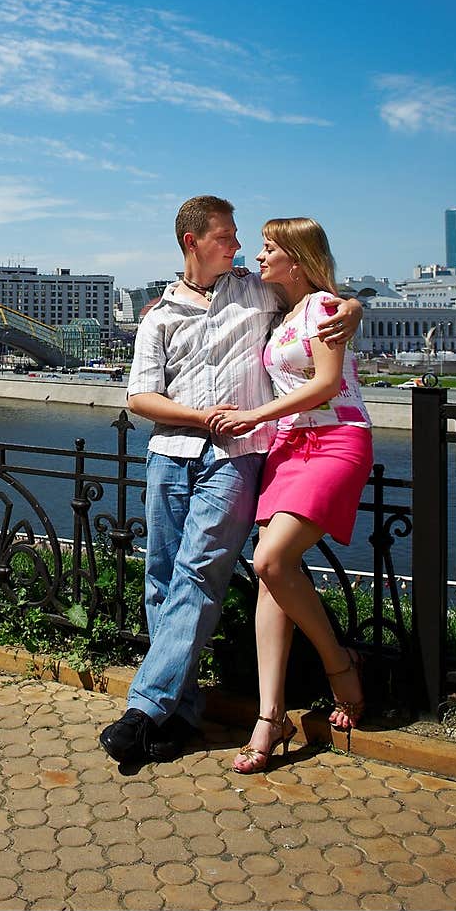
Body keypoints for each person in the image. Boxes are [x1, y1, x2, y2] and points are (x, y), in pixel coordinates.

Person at [98, 196, 362, 767]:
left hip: (238, 454)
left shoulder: (256, 291)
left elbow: (316, 291)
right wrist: (202, 417)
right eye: (226, 236)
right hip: (171, 453)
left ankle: (144, 708)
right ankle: (178, 717)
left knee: (199, 573)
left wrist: (356, 306)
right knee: (162, 581)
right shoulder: (160, 315)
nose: (238, 245)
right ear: (192, 242)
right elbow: (139, 397)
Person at [208, 217, 373, 774]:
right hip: (288, 446)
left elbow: (326, 385)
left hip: (335, 440)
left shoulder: (326, 307)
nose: (258, 256)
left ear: (296, 260)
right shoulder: (282, 314)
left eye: (269, 249)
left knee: (271, 559)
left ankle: (338, 663)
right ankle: (270, 715)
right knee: (270, 576)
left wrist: (252, 415)